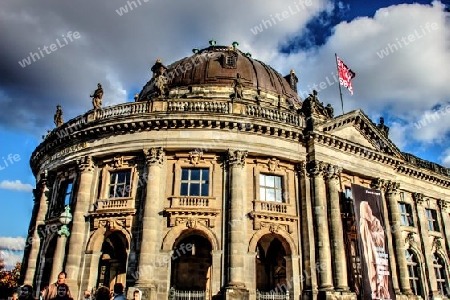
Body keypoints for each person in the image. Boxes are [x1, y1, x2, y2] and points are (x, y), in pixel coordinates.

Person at [359, 201, 390, 299]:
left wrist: (376, 233)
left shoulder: (376, 220)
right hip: (370, 250)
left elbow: (381, 233)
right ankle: (376, 291)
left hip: (379, 252)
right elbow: (365, 236)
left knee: (380, 271)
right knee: (372, 270)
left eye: (369, 207)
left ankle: (382, 292)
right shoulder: (363, 221)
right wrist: (373, 233)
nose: (370, 209)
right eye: (367, 208)